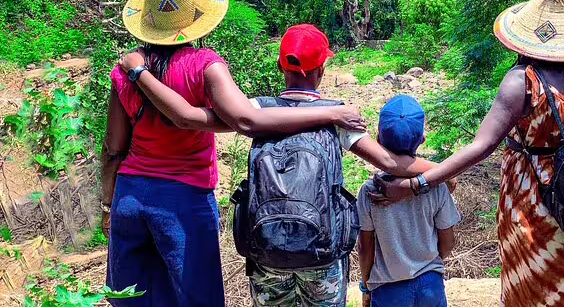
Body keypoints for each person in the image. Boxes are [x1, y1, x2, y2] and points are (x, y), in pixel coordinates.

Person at [119, 22, 453, 306]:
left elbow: (191, 118)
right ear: (322, 71)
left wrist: (140, 72)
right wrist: (440, 174)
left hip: (267, 250)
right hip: (321, 254)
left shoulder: (253, 110)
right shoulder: (336, 117)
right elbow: (388, 161)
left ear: (281, 67)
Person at [102, 0, 365, 307]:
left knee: (134, 298)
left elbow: (114, 148)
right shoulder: (203, 65)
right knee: (197, 298)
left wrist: (108, 203)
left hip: (130, 196)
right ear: (196, 19)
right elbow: (246, 119)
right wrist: (332, 113)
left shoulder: (124, 72)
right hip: (184, 199)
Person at [372, 0, 564, 307]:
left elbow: (481, 147)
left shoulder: (522, 82)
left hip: (535, 210)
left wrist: (416, 184)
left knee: (534, 291)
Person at [357, 95, 460, 307]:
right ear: (422, 138)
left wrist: (366, 286)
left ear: (378, 141)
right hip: (430, 284)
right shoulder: (437, 188)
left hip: (387, 289)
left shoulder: (369, 192)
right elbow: (448, 243)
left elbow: (365, 248)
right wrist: (427, 262)